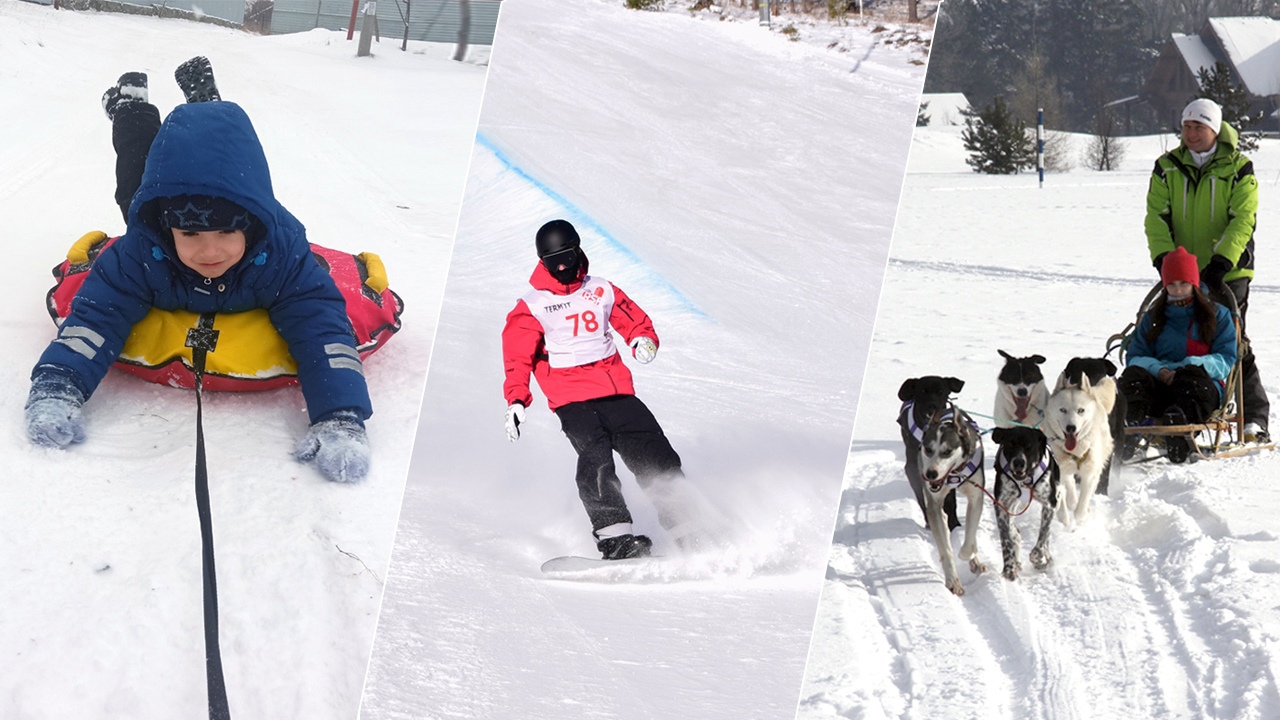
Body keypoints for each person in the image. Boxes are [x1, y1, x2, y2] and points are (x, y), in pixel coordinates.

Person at [24, 59, 373, 483]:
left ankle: (205, 104)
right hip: (163, 192)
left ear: (250, 223)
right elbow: (98, 315)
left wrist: (340, 416)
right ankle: (130, 108)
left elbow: (320, 324)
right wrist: (57, 386)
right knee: (135, 172)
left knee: (225, 166)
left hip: (234, 185)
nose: (210, 251)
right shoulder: (144, 251)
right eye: (189, 233)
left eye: (228, 230)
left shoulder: (279, 255)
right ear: (167, 227)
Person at [501, 219, 683, 560]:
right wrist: (515, 399)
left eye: (566, 259)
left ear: (578, 251)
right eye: (551, 262)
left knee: (654, 453)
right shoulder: (533, 305)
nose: (560, 269)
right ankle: (615, 537)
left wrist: (642, 339)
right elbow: (516, 356)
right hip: (571, 399)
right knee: (595, 459)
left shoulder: (601, 290)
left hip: (616, 390)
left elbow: (633, 319)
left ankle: (690, 525)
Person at [1144, 97, 1267, 442]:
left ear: (1214, 129)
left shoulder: (1238, 167)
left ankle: (1253, 416)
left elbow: (1243, 219)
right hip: (1180, 273)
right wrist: (1164, 260)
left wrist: (1222, 262)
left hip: (1227, 273)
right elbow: (1156, 216)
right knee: (1173, 337)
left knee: (1231, 340)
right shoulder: (1167, 166)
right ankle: (1175, 407)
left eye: (1199, 126)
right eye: (1186, 126)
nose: (1191, 133)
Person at [1119, 247, 1238, 463]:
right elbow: (1135, 357)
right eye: (1171, 284)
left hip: (1197, 387)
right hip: (1159, 385)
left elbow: (1226, 360)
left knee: (1191, 376)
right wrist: (1161, 371)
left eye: (1183, 283)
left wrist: (1187, 366)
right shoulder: (1154, 316)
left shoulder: (1218, 315)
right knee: (1134, 376)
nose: (1178, 290)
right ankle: (1129, 428)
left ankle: (1179, 430)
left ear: (1193, 283)